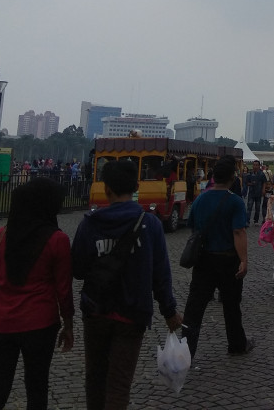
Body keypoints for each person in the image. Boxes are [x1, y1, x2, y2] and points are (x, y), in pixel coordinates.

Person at [71, 160, 183, 410]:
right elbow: (161, 274)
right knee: (120, 383)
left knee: (95, 378)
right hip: (132, 315)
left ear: (106, 189)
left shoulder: (90, 223)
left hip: (96, 311)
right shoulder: (150, 224)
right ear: (135, 188)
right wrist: (169, 310)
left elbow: (77, 270)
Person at [0, 179, 74, 410]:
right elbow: (63, 289)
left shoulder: (0, 236)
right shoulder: (57, 240)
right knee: (37, 389)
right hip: (39, 323)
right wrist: (68, 324)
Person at [181, 156, 252, 358]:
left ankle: (186, 350)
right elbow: (238, 232)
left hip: (204, 260)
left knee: (195, 307)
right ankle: (237, 344)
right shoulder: (235, 202)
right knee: (231, 305)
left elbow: (193, 228)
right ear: (232, 177)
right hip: (228, 259)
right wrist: (244, 260)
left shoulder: (200, 199)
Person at [244, 161, 266, 227]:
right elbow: (246, 183)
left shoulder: (262, 174)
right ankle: (247, 221)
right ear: (252, 166)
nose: (255, 166)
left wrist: (263, 189)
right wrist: (251, 183)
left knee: (258, 207)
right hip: (251, 193)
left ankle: (256, 220)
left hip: (258, 193)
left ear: (259, 166)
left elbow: (264, 182)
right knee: (249, 207)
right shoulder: (249, 174)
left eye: (256, 165)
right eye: (254, 165)